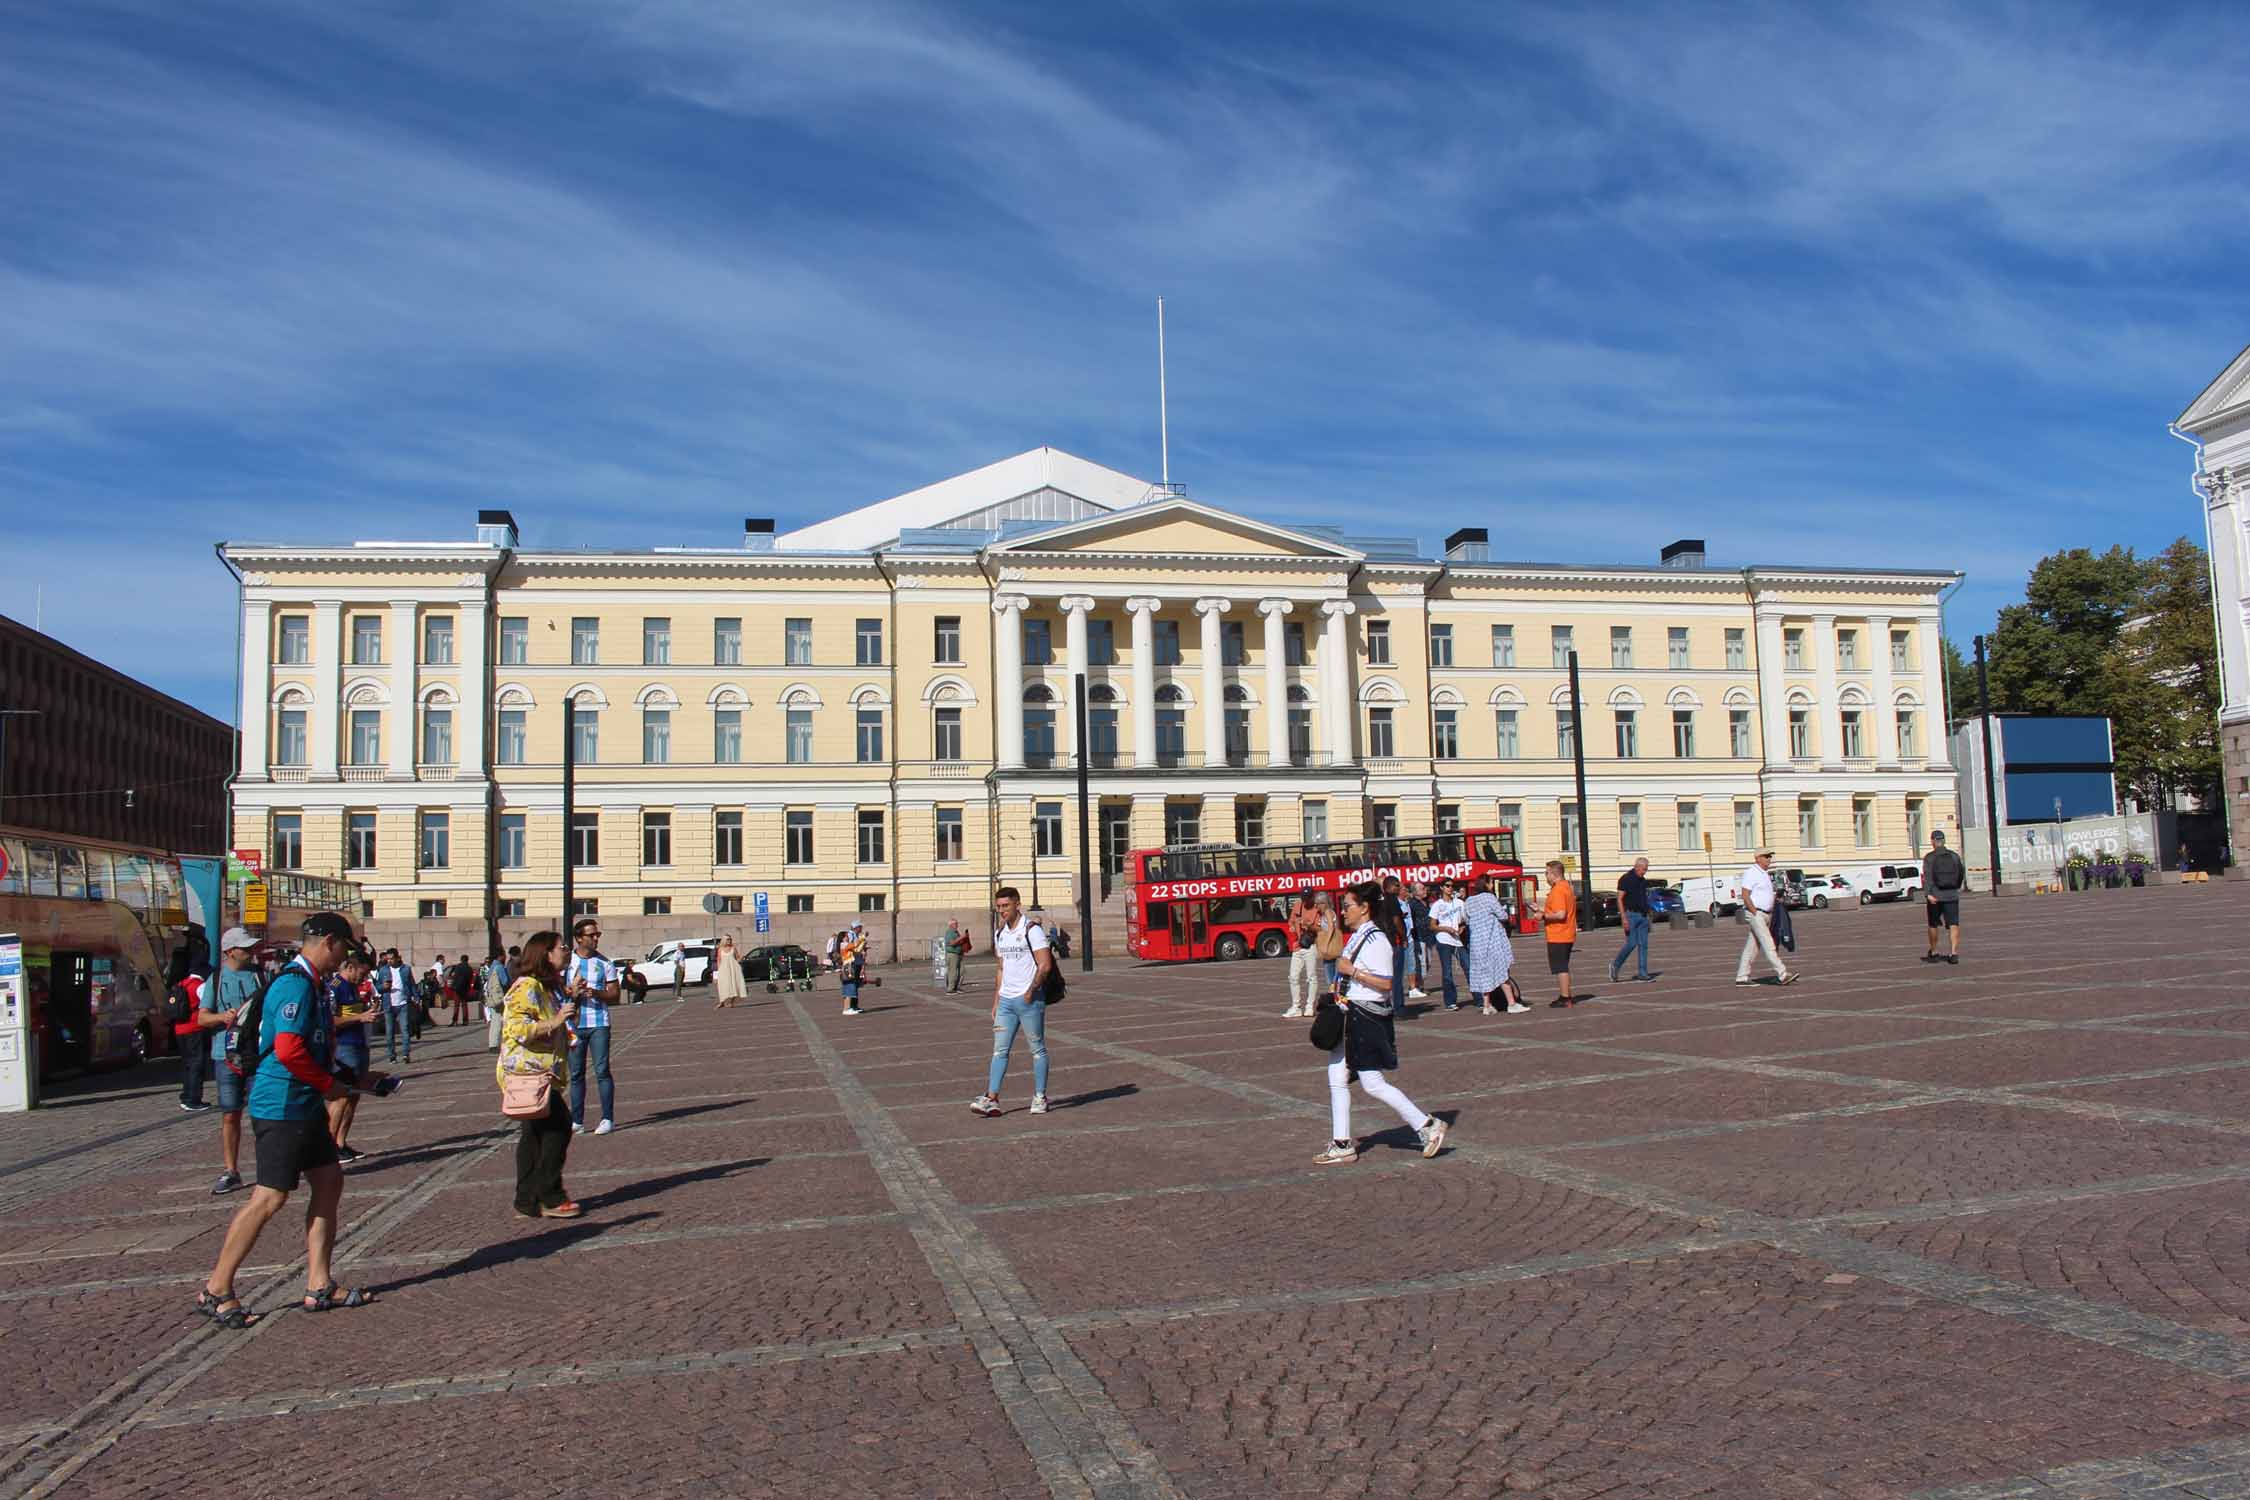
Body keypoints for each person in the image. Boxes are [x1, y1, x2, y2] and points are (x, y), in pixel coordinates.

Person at [195, 912, 381, 1329]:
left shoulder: (314, 986)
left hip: (303, 1104)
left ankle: (319, 1283)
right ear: (329, 942)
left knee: (329, 1180)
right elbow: (288, 1050)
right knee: (269, 1197)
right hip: (280, 1105)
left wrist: (354, 1080)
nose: (344, 958)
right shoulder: (294, 985)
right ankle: (217, 1287)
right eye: (344, 949)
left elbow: (313, 1049)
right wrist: (329, 1086)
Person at [1313, 881, 1449, 1166]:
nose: (1344, 912)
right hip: (1350, 1014)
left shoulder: (1376, 940)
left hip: (1365, 1017)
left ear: (1364, 909)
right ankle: (1342, 1143)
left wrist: (1353, 971)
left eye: (1348, 906)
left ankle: (1427, 1125)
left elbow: (1386, 983)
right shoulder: (1360, 936)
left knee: (1372, 1083)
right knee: (1337, 1077)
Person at [499, 931, 581, 1219]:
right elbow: (517, 1029)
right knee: (559, 1127)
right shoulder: (526, 986)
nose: (566, 951)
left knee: (533, 1135)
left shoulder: (547, 987)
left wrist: (571, 1001)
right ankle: (550, 1194)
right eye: (562, 947)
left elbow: (558, 1024)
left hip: (544, 1071)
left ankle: (526, 1200)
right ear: (546, 953)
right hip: (530, 1072)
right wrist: (557, 1019)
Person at [971, 887, 1052, 1117]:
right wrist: (996, 999)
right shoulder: (1001, 934)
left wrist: (1031, 991)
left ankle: (1040, 1096)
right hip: (1006, 1001)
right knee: (999, 1051)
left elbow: (1045, 964)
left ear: (1017, 904)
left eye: (1005, 905)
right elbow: (1001, 968)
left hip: (1029, 1001)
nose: (1002, 910)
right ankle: (992, 1098)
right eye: (998, 907)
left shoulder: (1032, 930)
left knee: (1037, 1049)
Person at [199, 929, 261, 1192]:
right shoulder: (216, 979)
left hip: (256, 1053)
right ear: (230, 951)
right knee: (230, 1113)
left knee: (262, 1112)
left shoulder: (260, 975)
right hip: (225, 1055)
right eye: (245, 948)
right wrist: (222, 1017)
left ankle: (269, 1164)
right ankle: (230, 1169)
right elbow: (201, 1018)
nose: (250, 952)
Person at [562, 918, 620, 1134]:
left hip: (598, 1023)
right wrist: (571, 992)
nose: (596, 938)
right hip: (574, 1023)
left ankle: (607, 1118)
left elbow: (615, 994)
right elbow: (558, 990)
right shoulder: (568, 963)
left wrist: (596, 993)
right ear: (579, 938)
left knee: (602, 1070)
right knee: (576, 1073)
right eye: (591, 935)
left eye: (597, 935)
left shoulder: (605, 963)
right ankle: (577, 1120)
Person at [326, 947, 377, 1162]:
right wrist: (360, 1018)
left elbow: (354, 1013)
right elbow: (330, 1020)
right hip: (344, 1047)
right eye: (362, 974)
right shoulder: (335, 987)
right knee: (341, 1098)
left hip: (358, 1044)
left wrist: (367, 1013)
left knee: (353, 1097)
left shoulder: (353, 987)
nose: (363, 978)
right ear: (349, 967)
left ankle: (341, 1142)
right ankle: (328, 1147)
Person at [1464, 874, 1526, 1015]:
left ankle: (1487, 1005)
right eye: (1491, 883)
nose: (1492, 885)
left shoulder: (1469, 900)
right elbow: (1502, 915)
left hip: (1477, 943)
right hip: (1492, 940)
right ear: (1486, 884)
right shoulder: (1489, 898)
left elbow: (1467, 920)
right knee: (1501, 971)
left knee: (1485, 973)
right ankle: (1511, 1003)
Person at [1735, 850, 1798, 986]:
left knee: (1752, 947)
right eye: (1766, 856)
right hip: (1756, 913)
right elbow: (1745, 894)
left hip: (1766, 914)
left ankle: (1742, 977)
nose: (1769, 859)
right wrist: (1754, 912)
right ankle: (1782, 973)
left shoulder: (1764, 874)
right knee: (1768, 943)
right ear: (1758, 858)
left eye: (1770, 856)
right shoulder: (1752, 872)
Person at [173, 950, 212, 1113]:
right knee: (197, 1064)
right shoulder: (200, 986)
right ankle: (193, 1099)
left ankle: (186, 1095)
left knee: (187, 1064)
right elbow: (207, 1005)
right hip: (195, 1029)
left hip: (180, 1029)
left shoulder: (183, 983)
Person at [1922, 828, 1967, 965]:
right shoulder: (1954, 856)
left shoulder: (1929, 857)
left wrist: (1928, 894)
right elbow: (1961, 873)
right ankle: (1953, 953)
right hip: (1952, 895)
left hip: (1935, 896)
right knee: (1953, 924)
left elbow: (1927, 877)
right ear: (1944, 841)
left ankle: (1934, 951)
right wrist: (1956, 887)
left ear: (1933, 842)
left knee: (1933, 924)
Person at [1540, 861, 1579, 1007]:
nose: (1546, 876)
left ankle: (1565, 997)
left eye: (1547, 873)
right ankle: (1566, 995)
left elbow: (1560, 914)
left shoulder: (1558, 890)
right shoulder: (1566, 887)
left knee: (1560, 967)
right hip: (1566, 933)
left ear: (1553, 873)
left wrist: (1543, 916)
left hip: (1558, 934)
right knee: (1563, 966)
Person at [1610, 858, 1654, 984]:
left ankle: (1643, 972)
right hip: (1631, 915)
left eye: (1646, 869)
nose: (1644, 872)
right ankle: (1615, 965)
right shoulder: (1626, 879)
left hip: (1643, 916)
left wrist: (1649, 915)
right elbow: (1619, 899)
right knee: (1631, 943)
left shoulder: (1643, 881)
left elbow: (1644, 898)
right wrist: (1623, 917)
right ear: (1637, 867)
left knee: (1643, 945)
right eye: (1643, 869)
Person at [1428, 879, 1467, 1011]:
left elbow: (1465, 919)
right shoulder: (1437, 905)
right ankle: (1450, 1001)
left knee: (1468, 967)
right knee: (1447, 972)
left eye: (1452, 886)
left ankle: (1479, 998)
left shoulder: (1459, 903)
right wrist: (1446, 929)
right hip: (1444, 940)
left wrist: (1462, 927)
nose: (1450, 888)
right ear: (1442, 888)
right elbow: (1432, 925)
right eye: (1447, 886)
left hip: (1457, 940)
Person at [1283, 894, 1322, 1019]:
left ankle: (1310, 1006)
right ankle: (1296, 1007)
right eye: (1304, 898)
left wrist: (1307, 924)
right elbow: (1291, 921)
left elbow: (1320, 928)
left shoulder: (1317, 909)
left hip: (1311, 945)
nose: (1306, 901)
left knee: (1311, 977)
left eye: (1308, 898)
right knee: (1293, 976)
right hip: (1298, 945)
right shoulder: (1298, 905)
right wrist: (1293, 927)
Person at [381, 951, 412, 1062]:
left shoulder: (406, 969)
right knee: (389, 1032)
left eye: (392, 958)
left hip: (402, 1003)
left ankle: (405, 1054)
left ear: (398, 958)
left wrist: (416, 997)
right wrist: (383, 987)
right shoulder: (383, 970)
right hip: (388, 1004)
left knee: (405, 1029)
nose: (389, 961)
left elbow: (411, 984)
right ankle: (392, 1055)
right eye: (388, 959)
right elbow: (377, 987)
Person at [1405, 882, 1433, 1000]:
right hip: (1418, 936)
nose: (1425, 890)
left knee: (1428, 961)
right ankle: (1419, 986)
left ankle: (1420, 984)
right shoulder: (1412, 904)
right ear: (1415, 892)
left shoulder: (1425, 902)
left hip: (1428, 936)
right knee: (1421, 962)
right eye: (1422, 889)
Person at [1313, 893, 1345, 992]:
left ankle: (1333, 993)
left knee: (1329, 972)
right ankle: (1334, 990)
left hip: (1330, 945)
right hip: (1331, 944)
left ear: (1323, 903)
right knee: (1331, 970)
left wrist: (1326, 943)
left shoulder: (1328, 912)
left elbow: (1331, 927)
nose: (1316, 906)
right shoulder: (1327, 913)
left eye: (1317, 904)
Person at [483, 949, 513, 1049]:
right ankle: (496, 1044)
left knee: (495, 1020)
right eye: (504, 955)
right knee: (500, 1020)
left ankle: (493, 1043)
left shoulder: (492, 967)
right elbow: (505, 982)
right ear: (500, 956)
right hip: (500, 997)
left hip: (493, 997)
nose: (505, 957)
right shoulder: (499, 967)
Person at [839, 922, 868, 1015]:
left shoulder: (846, 945)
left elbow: (856, 949)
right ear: (843, 938)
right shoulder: (844, 944)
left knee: (852, 986)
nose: (848, 937)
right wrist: (863, 937)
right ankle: (846, 1009)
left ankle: (851, 1007)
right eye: (846, 936)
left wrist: (863, 943)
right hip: (848, 967)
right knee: (849, 987)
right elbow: (855, 945)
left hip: (850, 967)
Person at [713, 935, 748, 1009]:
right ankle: (722, 1002)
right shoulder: (720, 949)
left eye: (730, 939)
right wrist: (717, 973)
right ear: (724, 940)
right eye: (728, 939)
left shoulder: (733, 948)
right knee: (724, 986)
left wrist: (741, 958)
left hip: (734, 969)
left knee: (734, 985)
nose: (729, 941)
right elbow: (719, 961)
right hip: (724, 970)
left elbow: (737, 958)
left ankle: (732, 1002)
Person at [940, 920, 971, 994]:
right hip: (952, 954)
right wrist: (962, 937)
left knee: (962, 971)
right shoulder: (949, 933)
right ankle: (950, 989)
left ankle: (957, 987)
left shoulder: (956, 932)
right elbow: (952, 943)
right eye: (955, 924)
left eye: (957, 923)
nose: (957, 925)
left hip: (959, 954)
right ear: (951, 925)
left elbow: (958, 942)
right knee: (952, 972)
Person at [446, 953, 475, 1026]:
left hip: (458, 988)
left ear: (461, 959)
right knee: (464, 1005)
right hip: (465, 989)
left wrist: (453, 986)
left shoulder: (458, 966)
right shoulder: (469, 968)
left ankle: (455, 1020)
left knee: (456, 1005)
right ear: (467, 960)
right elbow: (471, 978)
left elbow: (455, 977)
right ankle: (465, 1021)